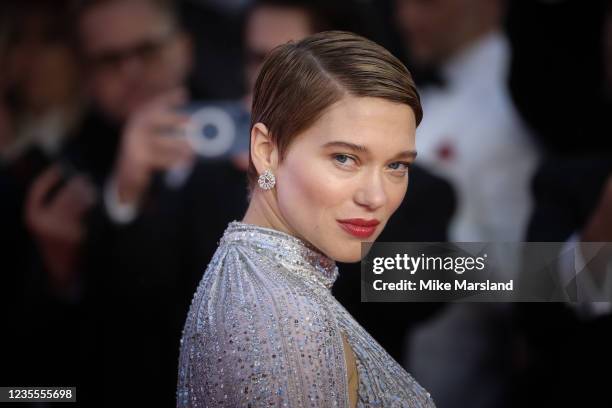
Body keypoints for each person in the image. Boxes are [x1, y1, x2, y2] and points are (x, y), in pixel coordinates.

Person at [177, 31, 435, 407]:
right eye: (345, 158)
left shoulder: (246, 274)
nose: (376, 197)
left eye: (397, 165)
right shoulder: (289, 323)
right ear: (267, 152)